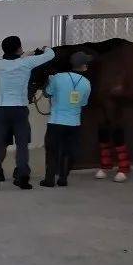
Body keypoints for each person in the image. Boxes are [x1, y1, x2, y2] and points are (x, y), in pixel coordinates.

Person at [0, 35, 55, 190]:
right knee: (22, 145)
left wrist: (25, 53)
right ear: (19, 48)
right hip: (19, 110)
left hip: (1, 109)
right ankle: (23, 178)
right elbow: (50, 55)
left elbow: (15, 59)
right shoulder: (26, 63)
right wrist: (44, 48)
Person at [40, 52, 92, 188]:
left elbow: (47, 93)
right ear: (83, 66)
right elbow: (83, 103)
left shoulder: (58, 78)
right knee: (69, 151)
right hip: (74, 123)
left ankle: (49, 179)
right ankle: (63, 178)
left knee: (52, 150)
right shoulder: (86, 83)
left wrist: (48, 83)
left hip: (55, 121)